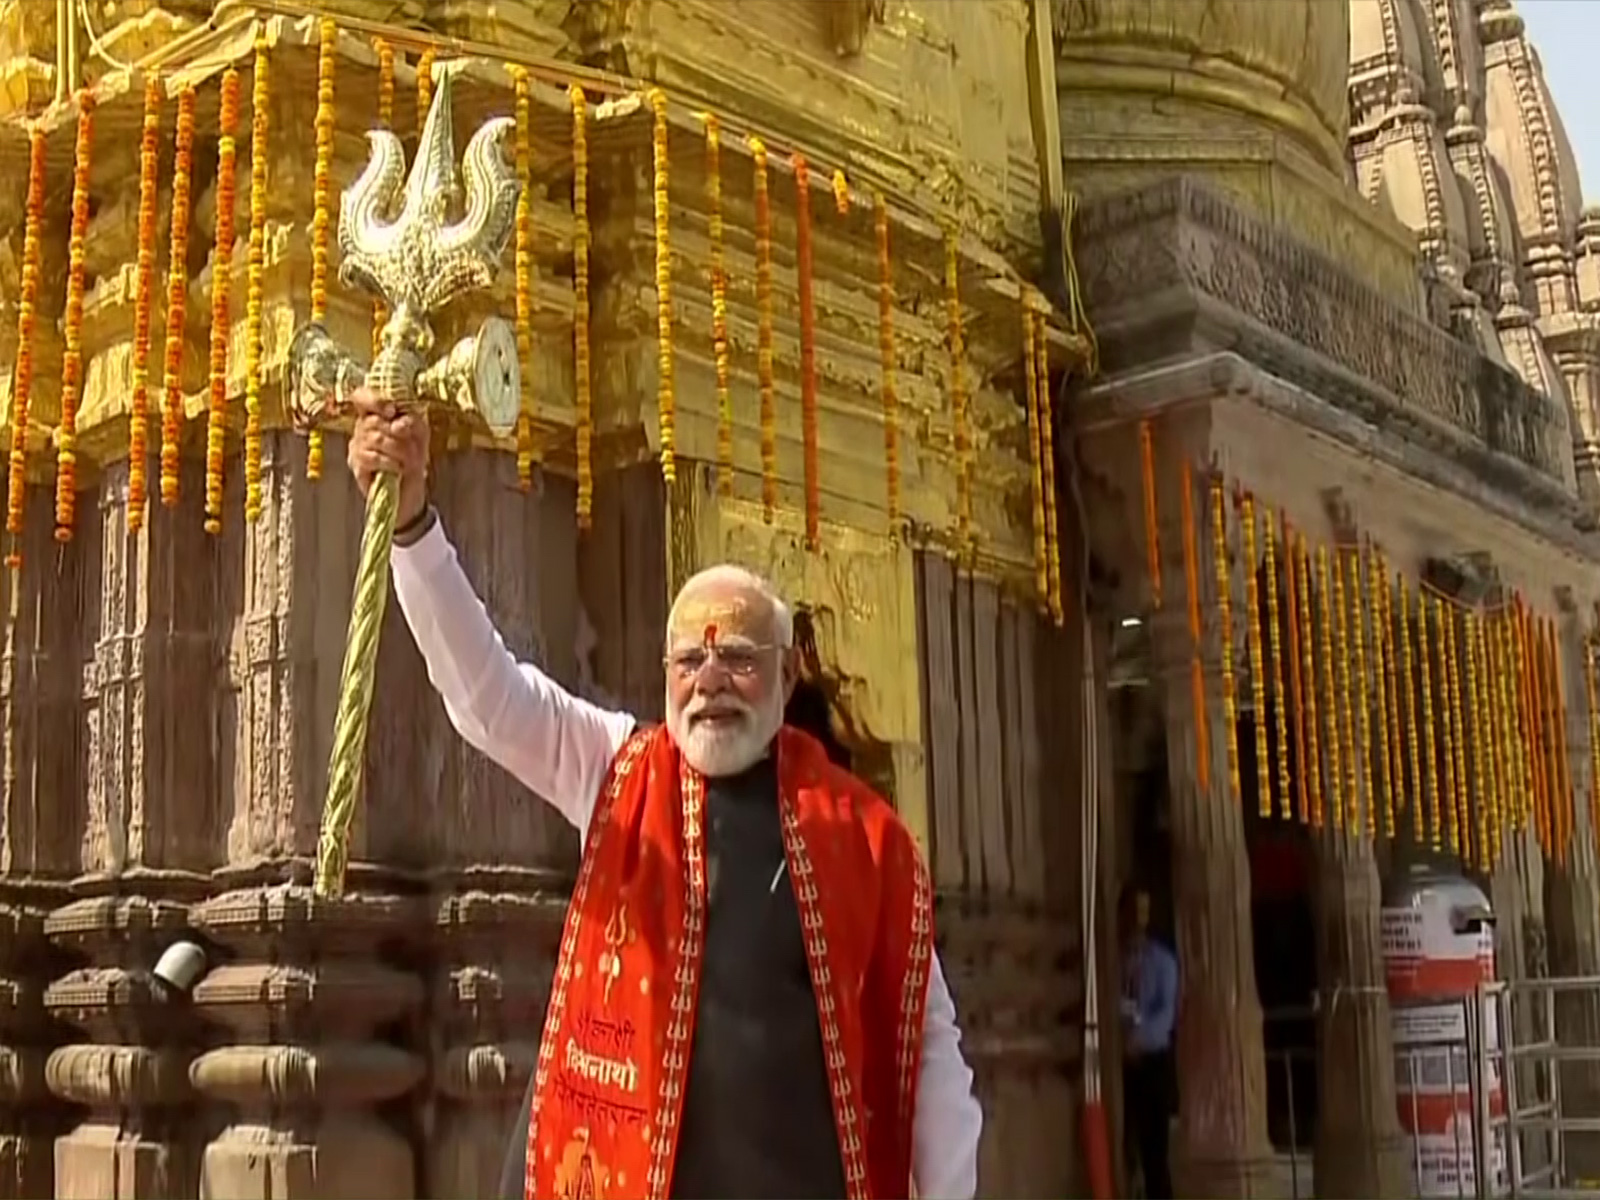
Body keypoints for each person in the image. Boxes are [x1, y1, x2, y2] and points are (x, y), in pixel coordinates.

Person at [346, 392, 984, 1200]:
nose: (711, 680)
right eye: (690, 660)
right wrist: (412, 529)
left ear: (789, 676)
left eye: (740, 658)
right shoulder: (617, 769)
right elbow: (489, 697)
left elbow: (928, 1053)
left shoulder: (866, 838)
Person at [1119, 884, 1177, 1200]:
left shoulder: (1162, 962)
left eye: (1143, 910)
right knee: (1125, 1145)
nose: (1138, 918)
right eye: (1132, 910)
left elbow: (1165, 1016)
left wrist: (1135, 1040)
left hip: (1151, 1061)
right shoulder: (1114, 961)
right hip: (1120, 1064)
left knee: (1156, 1150)